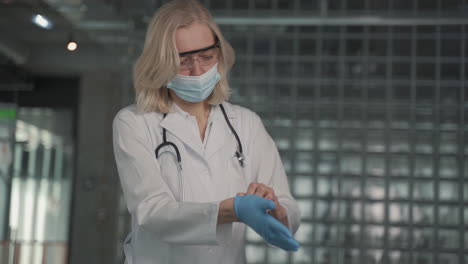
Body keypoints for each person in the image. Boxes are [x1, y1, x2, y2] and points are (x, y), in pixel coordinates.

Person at [112, 0, 300, 263]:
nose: (198, 70)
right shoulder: (134, 122)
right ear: (161, 62)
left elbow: (287, 207)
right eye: (184, 61)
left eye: (207, 57)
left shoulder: (246, 124)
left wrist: (275, 210)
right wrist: (232, 210)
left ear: (220, 56)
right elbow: (151, 211)